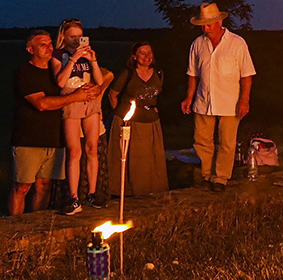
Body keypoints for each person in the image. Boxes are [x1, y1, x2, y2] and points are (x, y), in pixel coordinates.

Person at [181, 3, 255, 191]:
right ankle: (206, 174)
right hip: (204, 99)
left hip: (230, 101)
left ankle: (221, 178)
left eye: (209, 25)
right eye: (203, 25)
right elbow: (193, 74)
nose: (206, 29)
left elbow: (246, 75)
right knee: (202, 140)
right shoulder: (198, 44)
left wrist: (244, 100)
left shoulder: (237, 43)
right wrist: (189, 97)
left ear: (220, 21)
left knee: (227, 142)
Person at [10, 29, 82, 214]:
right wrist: (74, 97)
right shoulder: (25, 72)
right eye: (43, 45)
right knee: (22, 187)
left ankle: (36, 224)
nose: (49, 48)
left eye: (50, 44)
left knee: (44, 186)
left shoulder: (58, 71)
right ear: (30, 49)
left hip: (55, 138)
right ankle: (15, 226)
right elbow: (41, 103)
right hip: (29, 139)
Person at [53, 19, 114, 213]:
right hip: (72, 101)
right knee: (74, 151)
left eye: (80, 36)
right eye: (72, 37)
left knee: (92, 148)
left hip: (90, 102)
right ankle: (73, 197)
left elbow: (99, 80)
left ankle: (92, 193)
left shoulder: (87, 54)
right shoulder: (59, 55)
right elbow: (61, 82)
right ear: (63, 37)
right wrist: (72, 59)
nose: (77, 40)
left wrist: (93, 61)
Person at [104, 41, 169, 198]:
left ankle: (149, 190)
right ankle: (124, 192)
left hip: (150, 122)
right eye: (142, 53)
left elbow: (156, 95)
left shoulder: (158, 73)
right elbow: (112, 94)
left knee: (149, 160)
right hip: (129, 122)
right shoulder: (128, 73)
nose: (147, 56)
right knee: (128, 158)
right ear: (134, 57)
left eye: (149, 53)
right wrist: (119, 114)